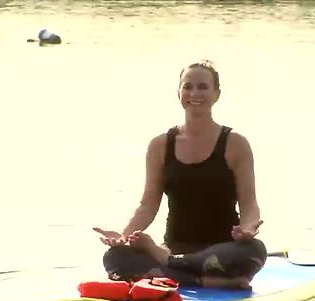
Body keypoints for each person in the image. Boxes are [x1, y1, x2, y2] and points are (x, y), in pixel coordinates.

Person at [93, 60, 267, 289]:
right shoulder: (160, 145)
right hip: (176, 247)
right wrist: (123, 237)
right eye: (188, 86)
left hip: (223, 250)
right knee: (115, 257)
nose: (194, 93)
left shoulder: (236, 144)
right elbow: (147, 204)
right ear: (179, 92)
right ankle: (204, 278)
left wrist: (248, 228)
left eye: (203, 87)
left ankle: (173, 270)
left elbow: (249, 202)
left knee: (254, 251)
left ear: (217, 94)